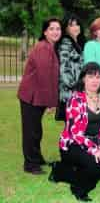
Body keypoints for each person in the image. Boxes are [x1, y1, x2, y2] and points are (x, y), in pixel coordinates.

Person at [48, 62, 100, 202]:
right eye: (90, 76)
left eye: (98, 77)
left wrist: (98, 147)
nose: (95, 80)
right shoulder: (75, 100)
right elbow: (75, 133)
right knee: (96, 167)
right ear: (83, 79)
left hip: (92, 142)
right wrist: (95, 150)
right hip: (72, 144)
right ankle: (78, 188)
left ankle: (60, 170)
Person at [17, 18, 61, 175]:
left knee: (36, 129)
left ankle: (36, 158)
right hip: (31, 96)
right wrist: (51, 103)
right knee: (31, 130)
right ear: (45, 32)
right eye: (52, 29)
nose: (56, 31)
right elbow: (43, 77)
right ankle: (30, 164)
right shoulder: (43, 48)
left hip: (38, 95)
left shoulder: (50, 47)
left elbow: (51, 76)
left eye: (58, 29)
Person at [56, 14, 85, 121]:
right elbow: (64, 68)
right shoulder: (65, 43)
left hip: (79, 92)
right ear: (66, 28)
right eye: (71, 25)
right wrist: (75, 86)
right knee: (73, 127)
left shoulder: (78, 43)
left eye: (77, 24)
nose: (76, 27)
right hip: (70, 94)